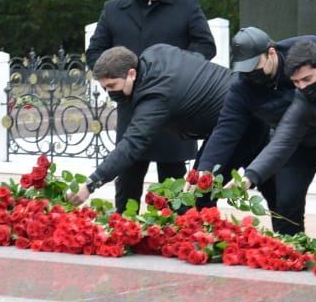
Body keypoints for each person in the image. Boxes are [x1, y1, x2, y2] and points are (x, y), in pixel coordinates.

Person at [85, 0, 215, 212]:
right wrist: (115, 83)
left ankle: (176, 232)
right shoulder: (114, 10)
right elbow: (94, 53)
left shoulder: (186, 5)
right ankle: (125, 228)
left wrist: (181, 69)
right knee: (128, 173)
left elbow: (205, 46)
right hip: (132, 104)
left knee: (174, 179)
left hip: (175, 107)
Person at [195, 31, 316, 233]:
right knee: (285, 206)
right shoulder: (242, 87)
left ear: (271, 53)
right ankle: (291, 254)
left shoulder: (309, 49)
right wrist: (206, 169)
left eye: (255, 66)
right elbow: (226, 129)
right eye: (245, 69)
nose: (250, 74)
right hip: (294, 147)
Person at [70, 44, 232, 206]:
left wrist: (90, 185)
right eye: (105, 88)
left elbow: (132, 145)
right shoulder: (154, 53)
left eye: (112, 86)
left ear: (132, 74)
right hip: (229, 108)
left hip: (238, 121)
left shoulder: (155, 96)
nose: (109, 93)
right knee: (194, 191)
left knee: (202, 195)